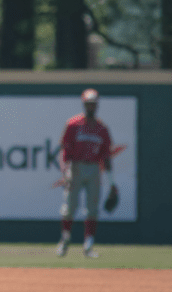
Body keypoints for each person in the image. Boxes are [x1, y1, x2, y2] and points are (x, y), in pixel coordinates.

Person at [56, 88, 115, 259]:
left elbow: (106, 156)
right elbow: (64, 150)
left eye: (93, 104)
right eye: (88, 104)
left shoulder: (102, 128)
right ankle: (65, 240)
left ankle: (88, 245)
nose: (91, 107)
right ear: (84, 104)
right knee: (69, 207)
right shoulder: (73, 125)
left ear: (97, 106)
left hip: (94, 168)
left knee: (92, 209)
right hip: (75, 167)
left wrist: (111, 182)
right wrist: (65, 171)